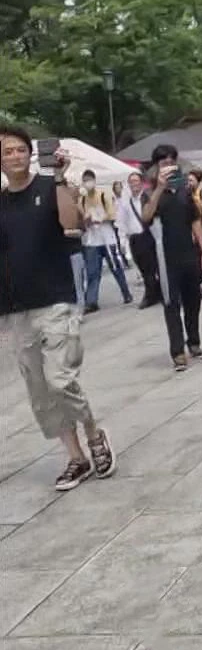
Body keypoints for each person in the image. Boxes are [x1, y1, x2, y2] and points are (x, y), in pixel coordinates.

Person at [0, 129, 115, 490]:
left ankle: (94, 432)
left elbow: (70, 224)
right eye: (8, 152)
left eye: (21, 150)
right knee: (39, 389)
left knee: (59, 379)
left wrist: (61, 178)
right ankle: (75, 457)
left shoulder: (50, 188)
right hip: (17, 307)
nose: (15, 156)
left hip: (55, 298)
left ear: (31, 155)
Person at [142, 145, 202, 371]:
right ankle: (177, 351)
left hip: (188, 253)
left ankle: (194, 342)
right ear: (156, 167)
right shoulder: (150, 193)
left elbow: (195, 221)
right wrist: (159, 189)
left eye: (171, 161)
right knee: (171, 304)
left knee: (193, 300)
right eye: (163, 163)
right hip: (164, 258)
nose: (168, 166)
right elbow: (146, 216)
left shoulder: (184, 191)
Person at [76, 170, 132, 312]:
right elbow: (82, 219)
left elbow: (112, 214)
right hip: (92, 240)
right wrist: (87, 221)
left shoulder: (103, 195)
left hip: (107, 238)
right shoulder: (81, 200)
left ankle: (126, 293)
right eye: (85, 180)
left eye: (89, 179)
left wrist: (100, 218)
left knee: (115, 267)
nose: (87, 183)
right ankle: (92, 302)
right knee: (92, 272)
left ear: (94, 180)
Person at [119, 171, 161, 308]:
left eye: (136, 181)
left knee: (153, 266)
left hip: (148, 235)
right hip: (135, 238)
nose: (134, 184)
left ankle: (152, 294)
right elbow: (122, 222)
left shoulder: (147, 197)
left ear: (141, 183)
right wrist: (123, 241)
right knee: (143, 268)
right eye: (131, 182)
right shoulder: (126, 202)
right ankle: (153, 293)